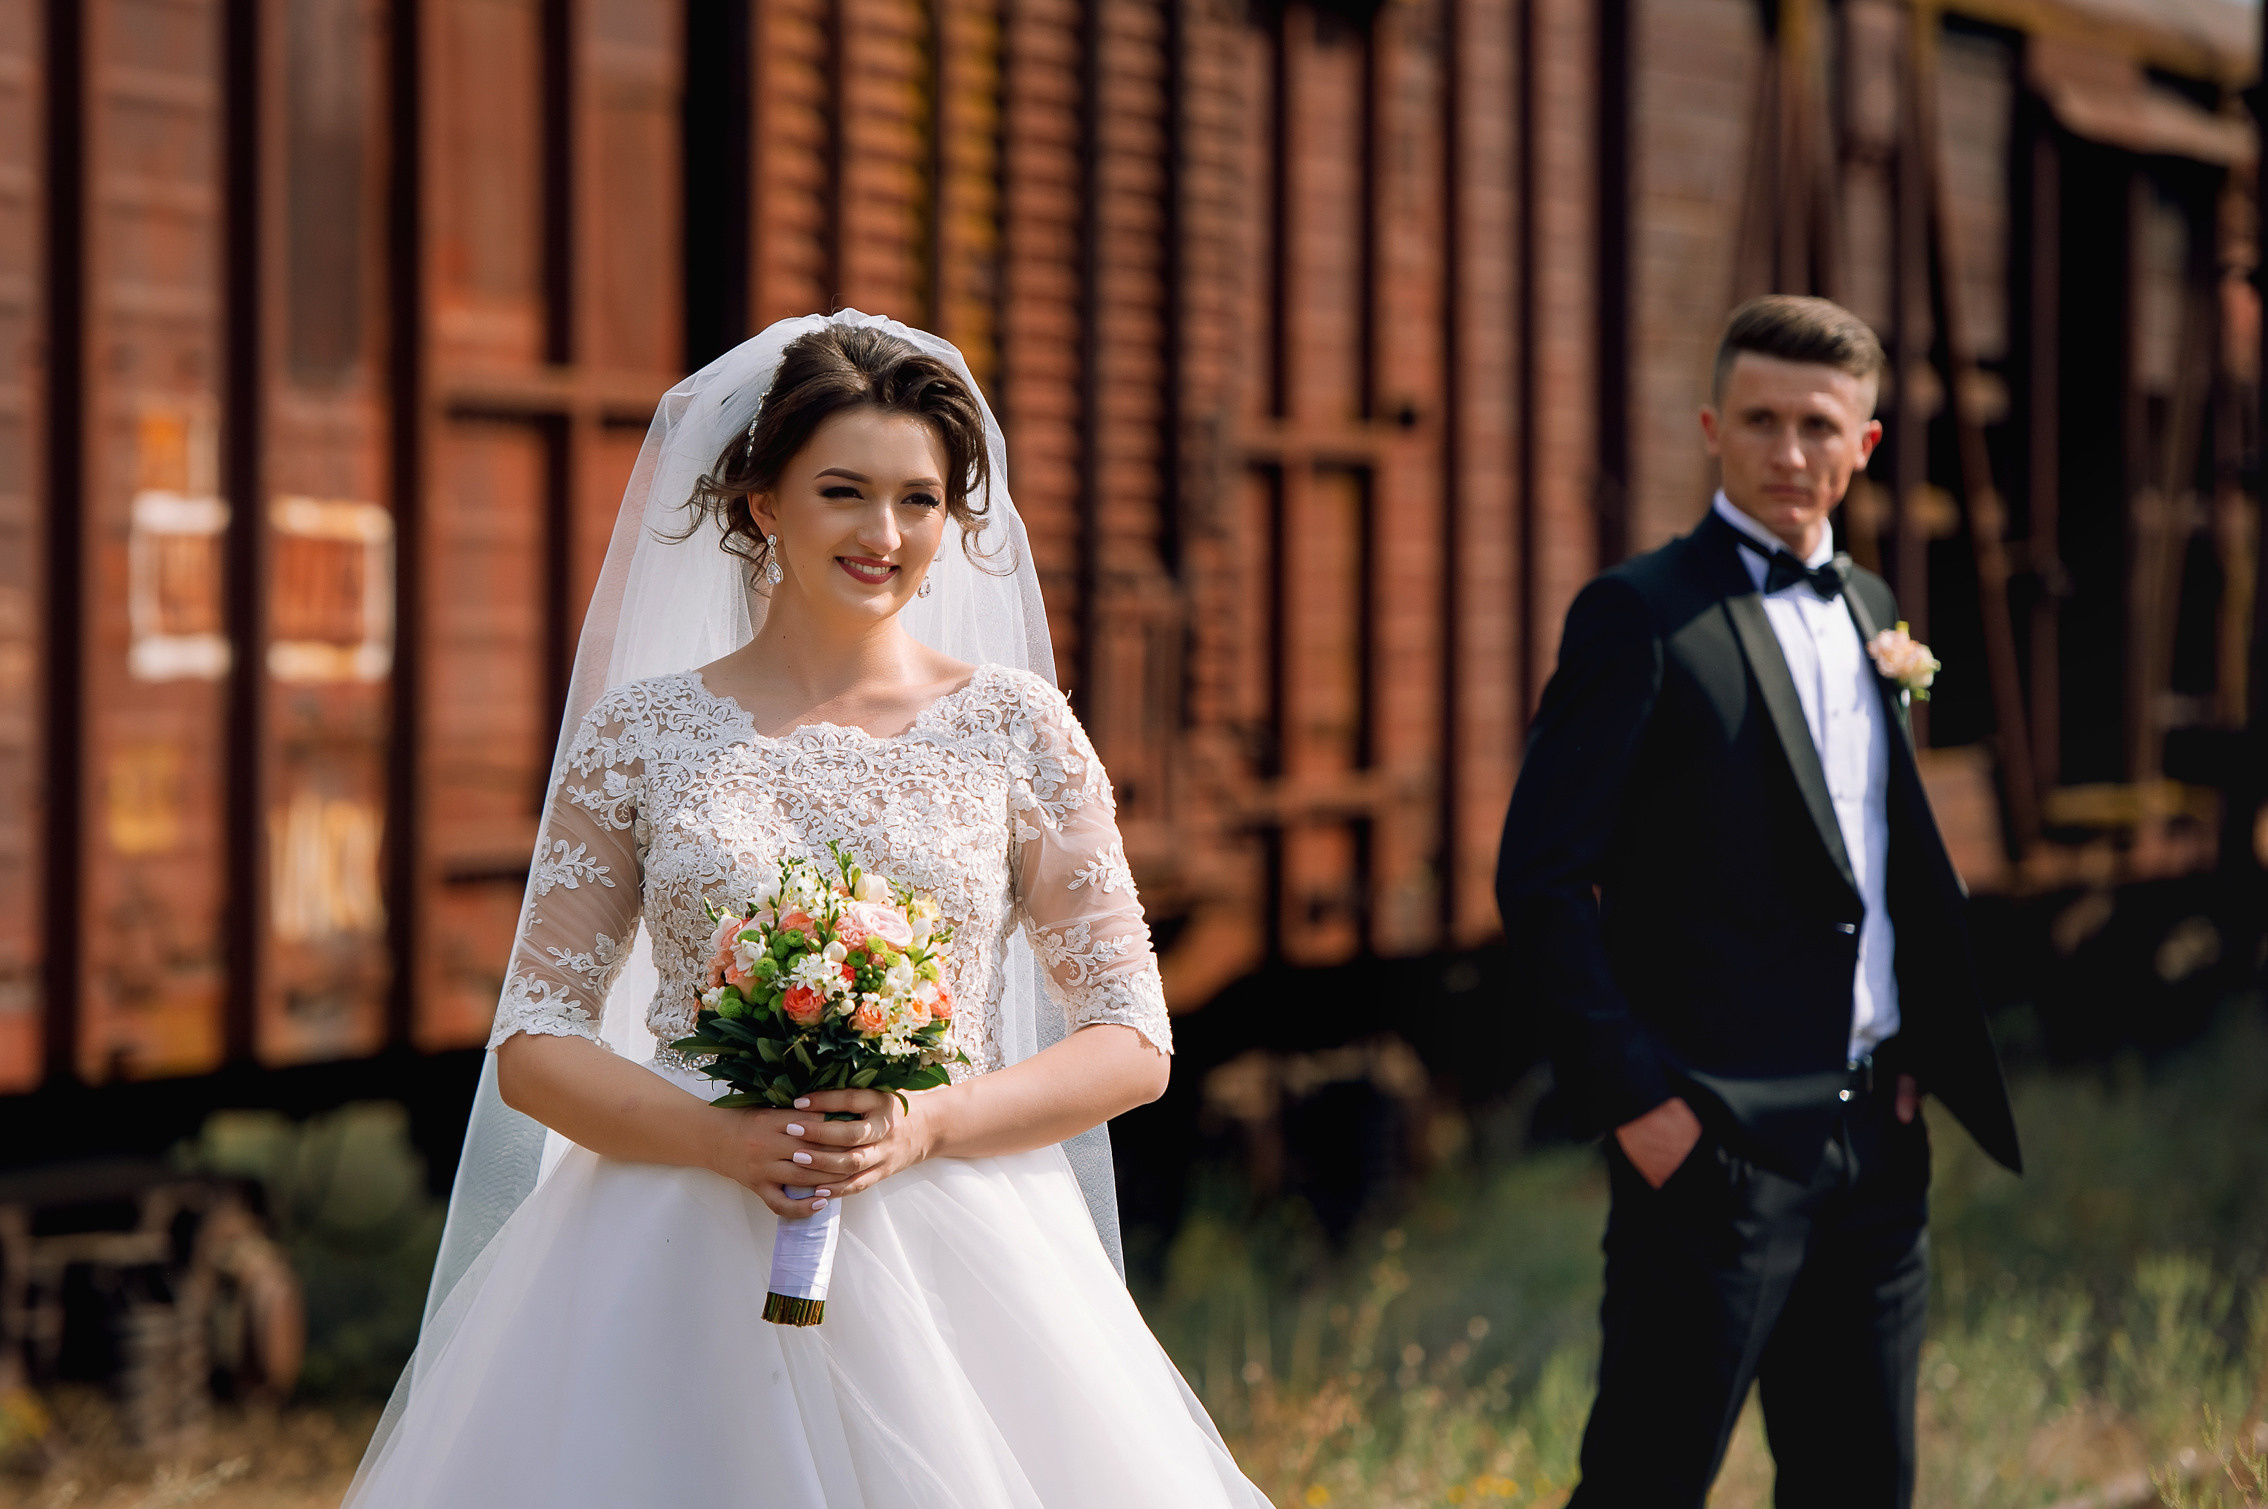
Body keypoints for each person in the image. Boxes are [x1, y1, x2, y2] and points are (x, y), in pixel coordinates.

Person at [344, 312, 1268, 1508]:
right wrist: (724, 1140)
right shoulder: (641, 736)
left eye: (921, 500)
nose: (885, 535)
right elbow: (535, 1045)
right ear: (762, 503)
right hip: (672, 1241)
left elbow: (1134, 1039)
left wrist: (928, 1122)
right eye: (844, 492)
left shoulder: (1018, 730)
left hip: (957, 1248)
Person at [1494, 295, 2021, 1507]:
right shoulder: (1640, 615)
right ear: (1712, 429)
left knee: (1859, 1485)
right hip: (1715, 1145)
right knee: (1647, 1482)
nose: (1791, 454)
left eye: (1819, 426)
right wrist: (1643, 1106)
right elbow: (1540, 878)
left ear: (1866, 444)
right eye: (1762, 422)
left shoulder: (1876, 611)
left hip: (1878, 1143)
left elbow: (1866, 870)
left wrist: (1907, 1063)